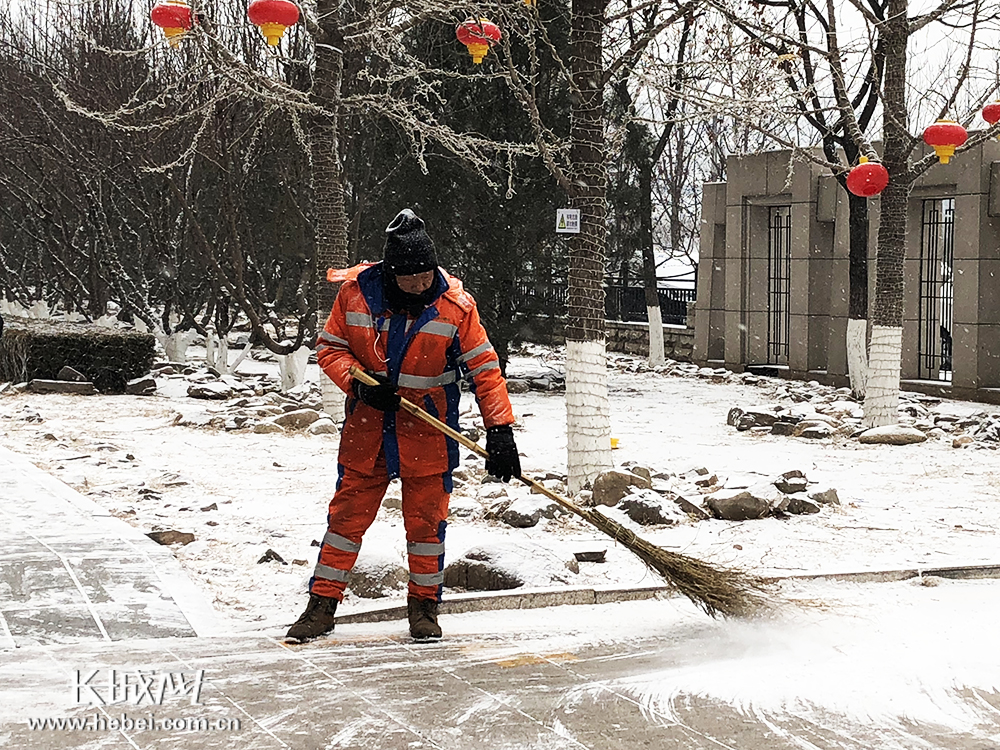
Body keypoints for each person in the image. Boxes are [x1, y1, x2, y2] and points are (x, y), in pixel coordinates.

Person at [286, 209, 522, 642]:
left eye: (425, 273)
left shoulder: (455, 307)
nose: (418, 283)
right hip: (368, 429)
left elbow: (485, 368)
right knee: (346, 521)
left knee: (427, 525)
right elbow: (330, 349)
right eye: (409, 277)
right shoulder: (355, 295)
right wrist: (360, 385)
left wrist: (500, 430)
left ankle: (425, 610)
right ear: (391, 271)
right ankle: (320, 607)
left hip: (428, 429)